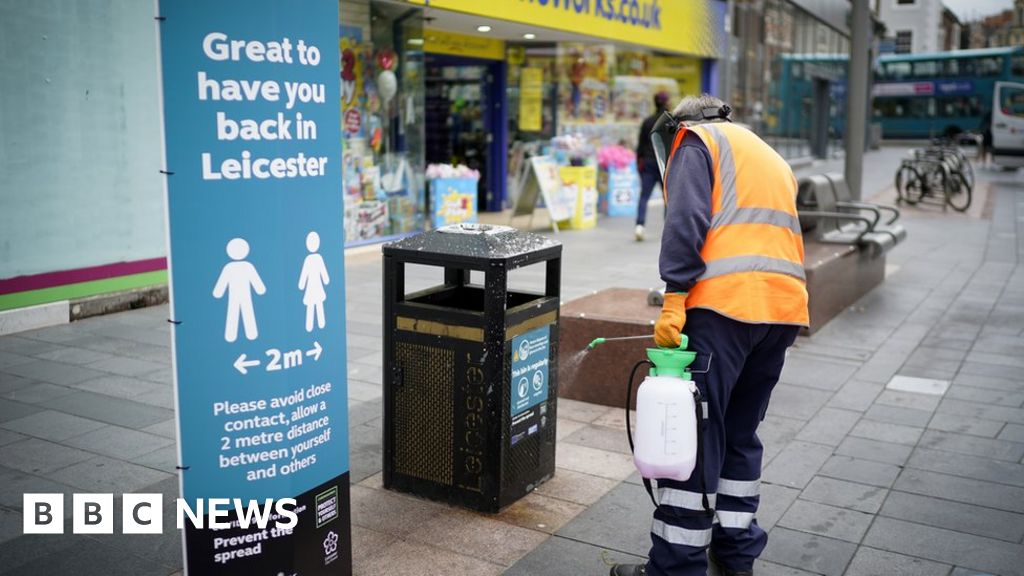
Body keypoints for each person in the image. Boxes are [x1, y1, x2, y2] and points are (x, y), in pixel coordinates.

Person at [610, 94, 809, 576]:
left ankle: (675, 567)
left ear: (681, 123)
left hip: (723, 312)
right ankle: (736, 555)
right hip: (782, 311)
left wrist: (675, 297)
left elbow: (685, 222)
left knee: (694, 438)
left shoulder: (695, 142)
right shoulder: (766, 153)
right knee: (740, 434)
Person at [634, 91, 672, 241]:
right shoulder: (671, 121)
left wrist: (639, 162)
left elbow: (640, 146)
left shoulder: (647, 121)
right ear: (666, 102)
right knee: (668, 198)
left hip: (649, 163)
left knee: (644, 196)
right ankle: (668, 230)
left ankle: (639, 226)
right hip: (665, 164)